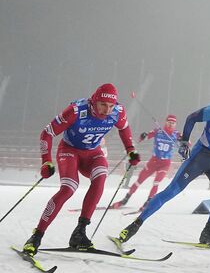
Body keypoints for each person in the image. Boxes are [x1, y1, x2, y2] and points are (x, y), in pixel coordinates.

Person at [115, 84, 210, 246]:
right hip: (200, 157)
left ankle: (208, 232)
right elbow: (192, 118)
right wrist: (185, 141)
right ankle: (133, 226)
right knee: (171, 192)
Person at [22, 83, 140, 256]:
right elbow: (46, 133)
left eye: (110, 106)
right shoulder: (76, 111)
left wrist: (131, 150)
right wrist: (45, 161)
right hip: (69, 151)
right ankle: (36, 236)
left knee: (101, 177)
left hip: (92, 153)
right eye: (103, 105)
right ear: (94, 101)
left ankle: (80, 232)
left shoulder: (118, 111)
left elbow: (124, 128)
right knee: (68, 188)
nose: (107, 110)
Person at [111, 115, 181, 210]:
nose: (170, 124)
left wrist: (183, 142)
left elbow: (188, 143)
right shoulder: (158, 131)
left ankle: (148, 203)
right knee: (139, 181)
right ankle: (125, 200)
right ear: (165, 122)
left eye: (173, 123)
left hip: (165, 164)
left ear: (175, 124)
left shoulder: (177, 134)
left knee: (156, 182)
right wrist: (143, 136)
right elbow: (144, 137)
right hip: (153, 161)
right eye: (169, 122)